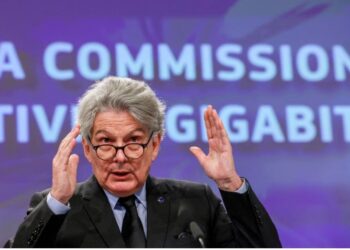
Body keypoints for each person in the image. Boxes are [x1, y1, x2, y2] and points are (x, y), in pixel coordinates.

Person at [6, 76, 281, 248]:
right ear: (87, 149)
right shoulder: (59, 208)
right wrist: (56, 201)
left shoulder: (197, 202)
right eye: (105, 143)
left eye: (134, 141)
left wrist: (229, 183)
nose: (120, 156)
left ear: (155, 145)